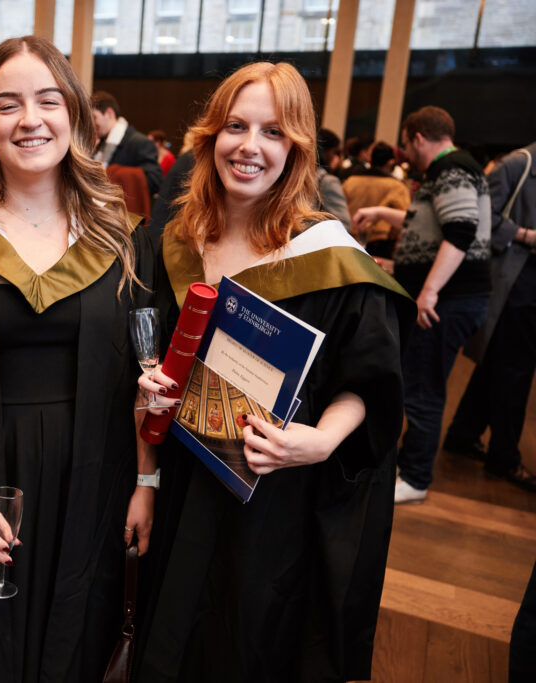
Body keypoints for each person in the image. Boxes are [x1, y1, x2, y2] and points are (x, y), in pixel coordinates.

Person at [134, 62, 411, 682]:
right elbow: (145, 360)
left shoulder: (329, 256)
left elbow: (371, 382)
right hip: (182, 478)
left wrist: (321, 440)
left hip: (272, 494)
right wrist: (144, 478)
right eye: (236, 126)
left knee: (247, 641)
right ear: (210, 137)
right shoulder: (177, 241)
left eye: (273, 132)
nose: (250, 147)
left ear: (299, 148)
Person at [0, 35, 155, 681]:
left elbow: (140, 377)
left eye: (47, 100)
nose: (29, 119)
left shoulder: (121, 239)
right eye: (7, 104)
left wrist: (145, 482)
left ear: (74, 112)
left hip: (90, 478)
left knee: (72, 638)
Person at [354, 105, 492, 504]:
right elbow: (428, 227)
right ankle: (410, 467)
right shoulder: (448, 171)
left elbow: (461, 231)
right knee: (419, 382)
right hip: (447, 298)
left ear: (417, 138)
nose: (404, 154)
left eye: (405, 144)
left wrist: (428, 291)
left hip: (446, 302)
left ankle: (415, 476)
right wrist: (383, 216)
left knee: (423, 387)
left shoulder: (451, 169)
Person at [444, 141, 536, 491]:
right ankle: (504, 457)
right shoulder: (518, 165)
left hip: (524, 285)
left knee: (499, 363)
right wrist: (526, 235)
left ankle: (463, 434)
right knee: (515, 371)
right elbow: (482, 219)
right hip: (514, 285)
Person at [343, 141, 410, 259]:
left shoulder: (351, 181)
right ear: (391, 162)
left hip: (348, 240)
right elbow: (404, 221)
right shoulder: (397, 187)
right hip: (380, 246)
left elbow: (340, 211)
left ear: (370, 159)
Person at [91, 90, 163, 199]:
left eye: (94, 117)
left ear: (109, 113)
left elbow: (155, 181)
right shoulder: (101, 143)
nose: (92, 123)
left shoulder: (140, 142)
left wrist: (116, 174)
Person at [316, 127, 352, 230]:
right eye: (336, 153)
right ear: (325, 152)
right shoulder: (327, 181)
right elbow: (343, 225)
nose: (339, 158)